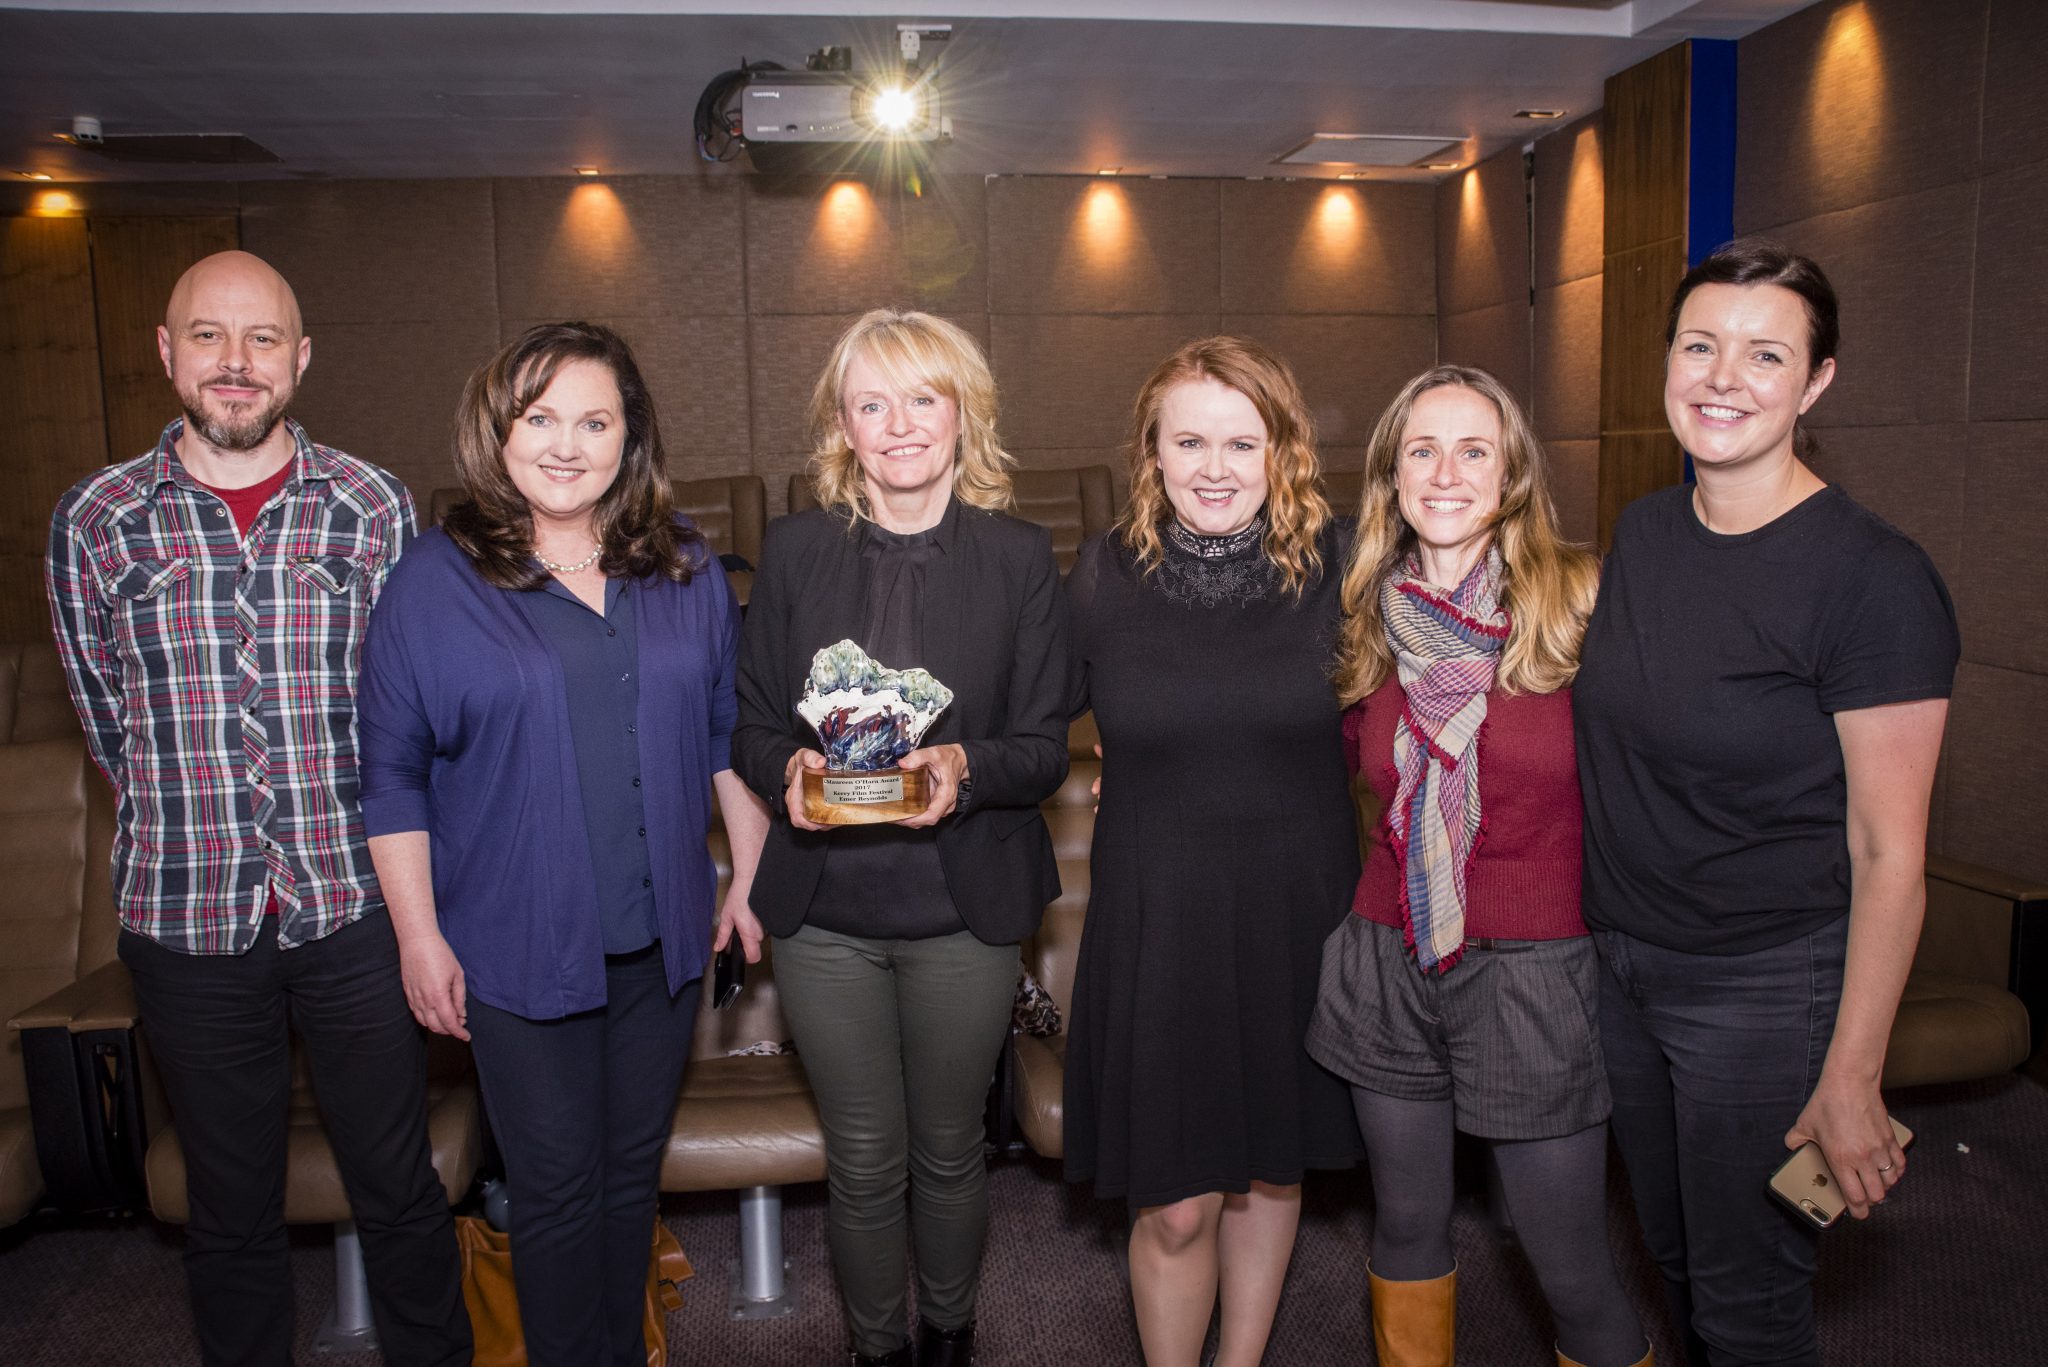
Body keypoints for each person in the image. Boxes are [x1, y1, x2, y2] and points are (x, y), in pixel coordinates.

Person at [44, 250, 470, 1367]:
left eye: (263, 339)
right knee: (228, 1212)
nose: (236, 363)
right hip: (184, 920)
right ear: (166, 351)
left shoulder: (371, 502)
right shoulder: (95, 519)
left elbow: (407, 712)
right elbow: (105, 724)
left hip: (355, 906)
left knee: (399, 1185)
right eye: (208, 336)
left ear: (302, 356)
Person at [1573, 240, 1958, 1367]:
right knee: (1678, 1261)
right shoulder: (1644, 532)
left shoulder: (1872, 580)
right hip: (1623, 968)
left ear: (1815, 381)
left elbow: (1889, 852)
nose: (1720, 375)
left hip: (1763, 987)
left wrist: (1850, 1072)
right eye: (1698, 344)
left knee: (1750, 1305)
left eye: (1763, 353)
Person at [356, 322, 768, 1367]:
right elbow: (392, 777)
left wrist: (747, 881)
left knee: (630, 1181)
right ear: (494, 432)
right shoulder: (430, 584)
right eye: (539, 418)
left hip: (662, 944)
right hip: (514, 946)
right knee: (552, 1190)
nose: (566, 443)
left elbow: (725, 741)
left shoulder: (680, 564)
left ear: (630, 438)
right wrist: (417, 938)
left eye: (595, 419)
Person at [731, 309, 1069, 1367]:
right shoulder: (791, 550)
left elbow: (1044, 746)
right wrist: (781, 766)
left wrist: (964, 768)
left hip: (962, 911)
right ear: (842, 424)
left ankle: (950, 1342)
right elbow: (745, 723)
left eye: (921, 397)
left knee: (950, 1151)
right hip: (825, 914)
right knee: (863, 1160)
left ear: (963, 412)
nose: (899, 423)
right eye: (871, 402)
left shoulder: (1020, 557)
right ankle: (878, 1350)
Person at [1304, 366, 1651, 1367]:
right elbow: (1304, 762)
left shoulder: (1579, 602)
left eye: (1472, 450)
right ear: (1389, 476)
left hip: (1534, 969)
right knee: (1406, 1226)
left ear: (1510, 474)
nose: (1444, 472)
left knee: (1570, 1263)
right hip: (1385, 950)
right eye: (1421, 449)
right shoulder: (1362, 616)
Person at [1063, 336, 1362, 1367]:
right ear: (1151, 450)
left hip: (1297, 909)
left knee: (1271, 1168)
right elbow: (1030, 721)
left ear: (1283, 450)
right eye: (1188, 439)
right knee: (1179, 1203)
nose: (1214, 465)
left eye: (1243, 440)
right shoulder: (1102, 571)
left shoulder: (1343, 562)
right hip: (1161, 921)